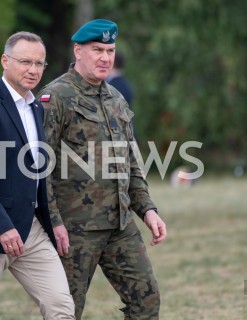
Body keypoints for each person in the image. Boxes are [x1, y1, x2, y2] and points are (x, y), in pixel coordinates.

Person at [38, 19, 167, 319]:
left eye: (110, 50)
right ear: (78, 51)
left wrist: (147, 209)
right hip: (74, 230)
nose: (105, 57)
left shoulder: (116, 98)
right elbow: (38, 168)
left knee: (146, 302)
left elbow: (131, 162)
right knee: (66, 312)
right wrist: (53, 221)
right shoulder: (56, 97)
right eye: (97, 49)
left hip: (120, 226)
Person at [0, 31, 75, 320]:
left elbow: (38, 172)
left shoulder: (35, 107)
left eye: (39, 64)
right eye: (25, 62)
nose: (33, 70)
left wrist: (52, 221)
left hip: (32, 230)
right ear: (5, 61)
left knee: (61, 307)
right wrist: (1, 227)